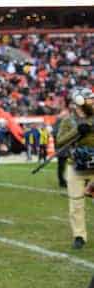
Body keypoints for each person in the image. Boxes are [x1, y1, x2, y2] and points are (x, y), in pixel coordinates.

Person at [56, 87, 94, 250]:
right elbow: (60, 141)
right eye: (89, 99)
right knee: (76, 203)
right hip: (76, 165)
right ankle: (79, 236)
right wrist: (76, 131)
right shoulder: (68, 120)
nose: (92, 102)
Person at [52, 105, 70, 188]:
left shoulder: (66, 122)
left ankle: (65, 180)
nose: (66, 115)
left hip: (67, 146)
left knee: (67, 164)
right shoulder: (58, 122)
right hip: (61, 147)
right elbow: (55, 134)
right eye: (65, 113)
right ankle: (62, 181)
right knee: (61, 165)